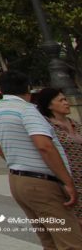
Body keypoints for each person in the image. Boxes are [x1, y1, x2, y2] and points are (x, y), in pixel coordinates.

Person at [0, 71, 82, 249]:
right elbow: (44, 146)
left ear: (1, 90)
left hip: (18, 180)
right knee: (71, 242)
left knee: (49, 240)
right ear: (28, 89)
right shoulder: (27, 110)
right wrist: (67, 181)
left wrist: (22, 161)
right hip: (42, 183)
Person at [34, 87, 82, 221]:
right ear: (49, 105)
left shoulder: (75, 124)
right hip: (70, 179)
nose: (66, 103)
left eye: (65, 99)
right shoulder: (46, 126)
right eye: (61, 100)